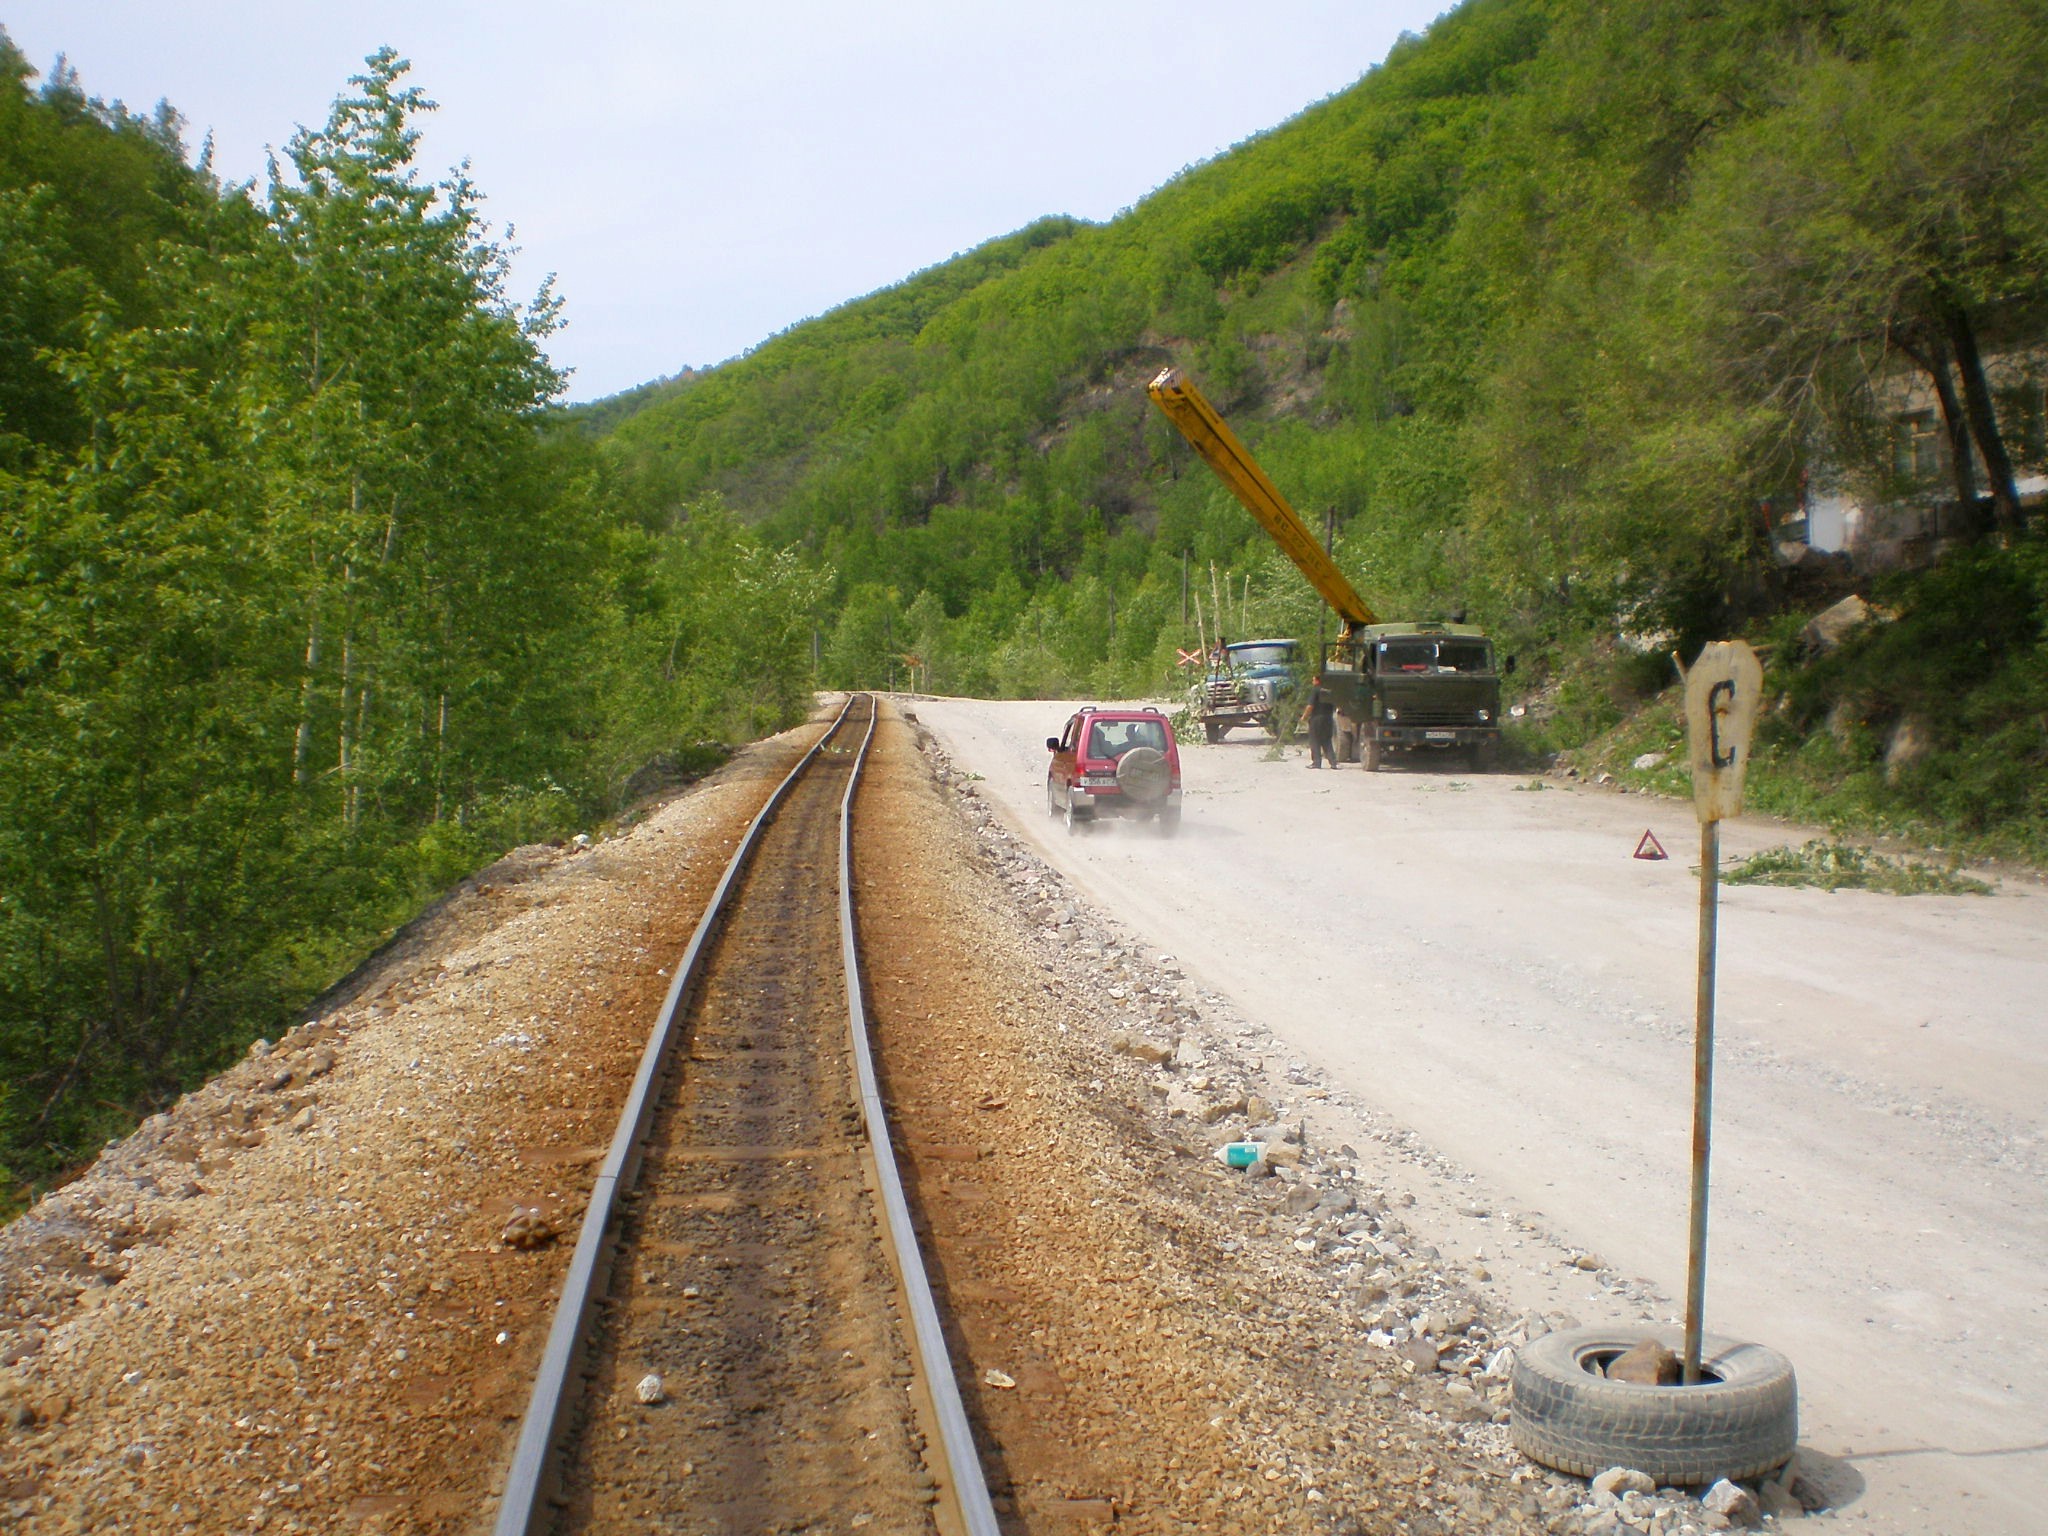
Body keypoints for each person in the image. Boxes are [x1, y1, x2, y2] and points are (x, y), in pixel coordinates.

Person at [1300, 682, 1337, 769]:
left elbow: (1310, 706)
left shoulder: (1315, 690)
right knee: (1327, 741)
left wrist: (1304, 717)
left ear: (1318, 680)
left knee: (1314, 740)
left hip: (1316, 718)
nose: (1312, 681)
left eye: (1314, 679)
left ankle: (1316, 762)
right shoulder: (1330, 690)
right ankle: (1333, 762)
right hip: (1328, 718)